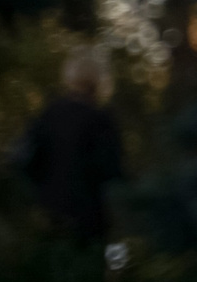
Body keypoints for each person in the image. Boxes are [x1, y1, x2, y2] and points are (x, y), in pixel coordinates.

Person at [9, 48, 124, 246]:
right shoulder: (100, 119)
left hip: (50, 214)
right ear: (100, 80)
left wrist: (43, 190)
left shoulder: (49, 114)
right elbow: (113, 171)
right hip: (90, 218)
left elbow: (23, 159)